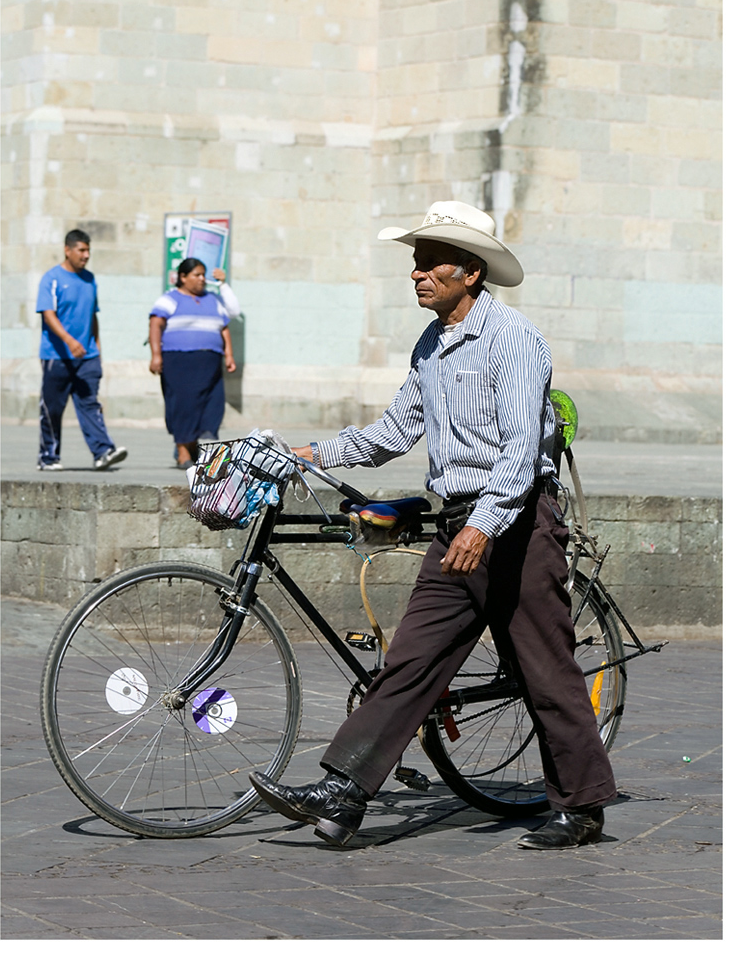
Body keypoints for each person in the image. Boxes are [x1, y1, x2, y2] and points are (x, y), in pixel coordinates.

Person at [250, 201, 617, 851]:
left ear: (469, 272)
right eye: (414, 263)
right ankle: (344, 793)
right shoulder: (431, 346)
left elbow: (517, 448)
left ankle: (582, 807)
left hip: (516, 524)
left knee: (544, 670)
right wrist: (310, 454)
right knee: (411, 663)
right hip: (456, 527)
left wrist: (483, 524)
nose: (416, 274)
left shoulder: (512, 339)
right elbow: (391, 432)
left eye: (427, 263)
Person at [36, 229, 128, 472]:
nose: (86, 255)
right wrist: (69, 340)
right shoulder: (51, 279)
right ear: (68, 250)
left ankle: (102, 452)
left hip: (87, 356)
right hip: (57, 356)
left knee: (89, 403)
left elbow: (92, 316)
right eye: (82, 250)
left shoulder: (89, 279)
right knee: (52, 409)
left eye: (89, 251)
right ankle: (48, 457)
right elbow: (48, 314)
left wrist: (96, 347)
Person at [148, 258, 237, 469]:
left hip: (209, 362)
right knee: (182, 405)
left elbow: (224, 328)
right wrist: (156, 355)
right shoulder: (170, 299)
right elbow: (155, 324)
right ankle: (182, 452)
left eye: (202, 275)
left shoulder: (213, 300)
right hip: (178, 361)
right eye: (196, 275)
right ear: (183, 277)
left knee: (207, 405)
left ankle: (191, 446)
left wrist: (229, 354)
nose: (201, 279)